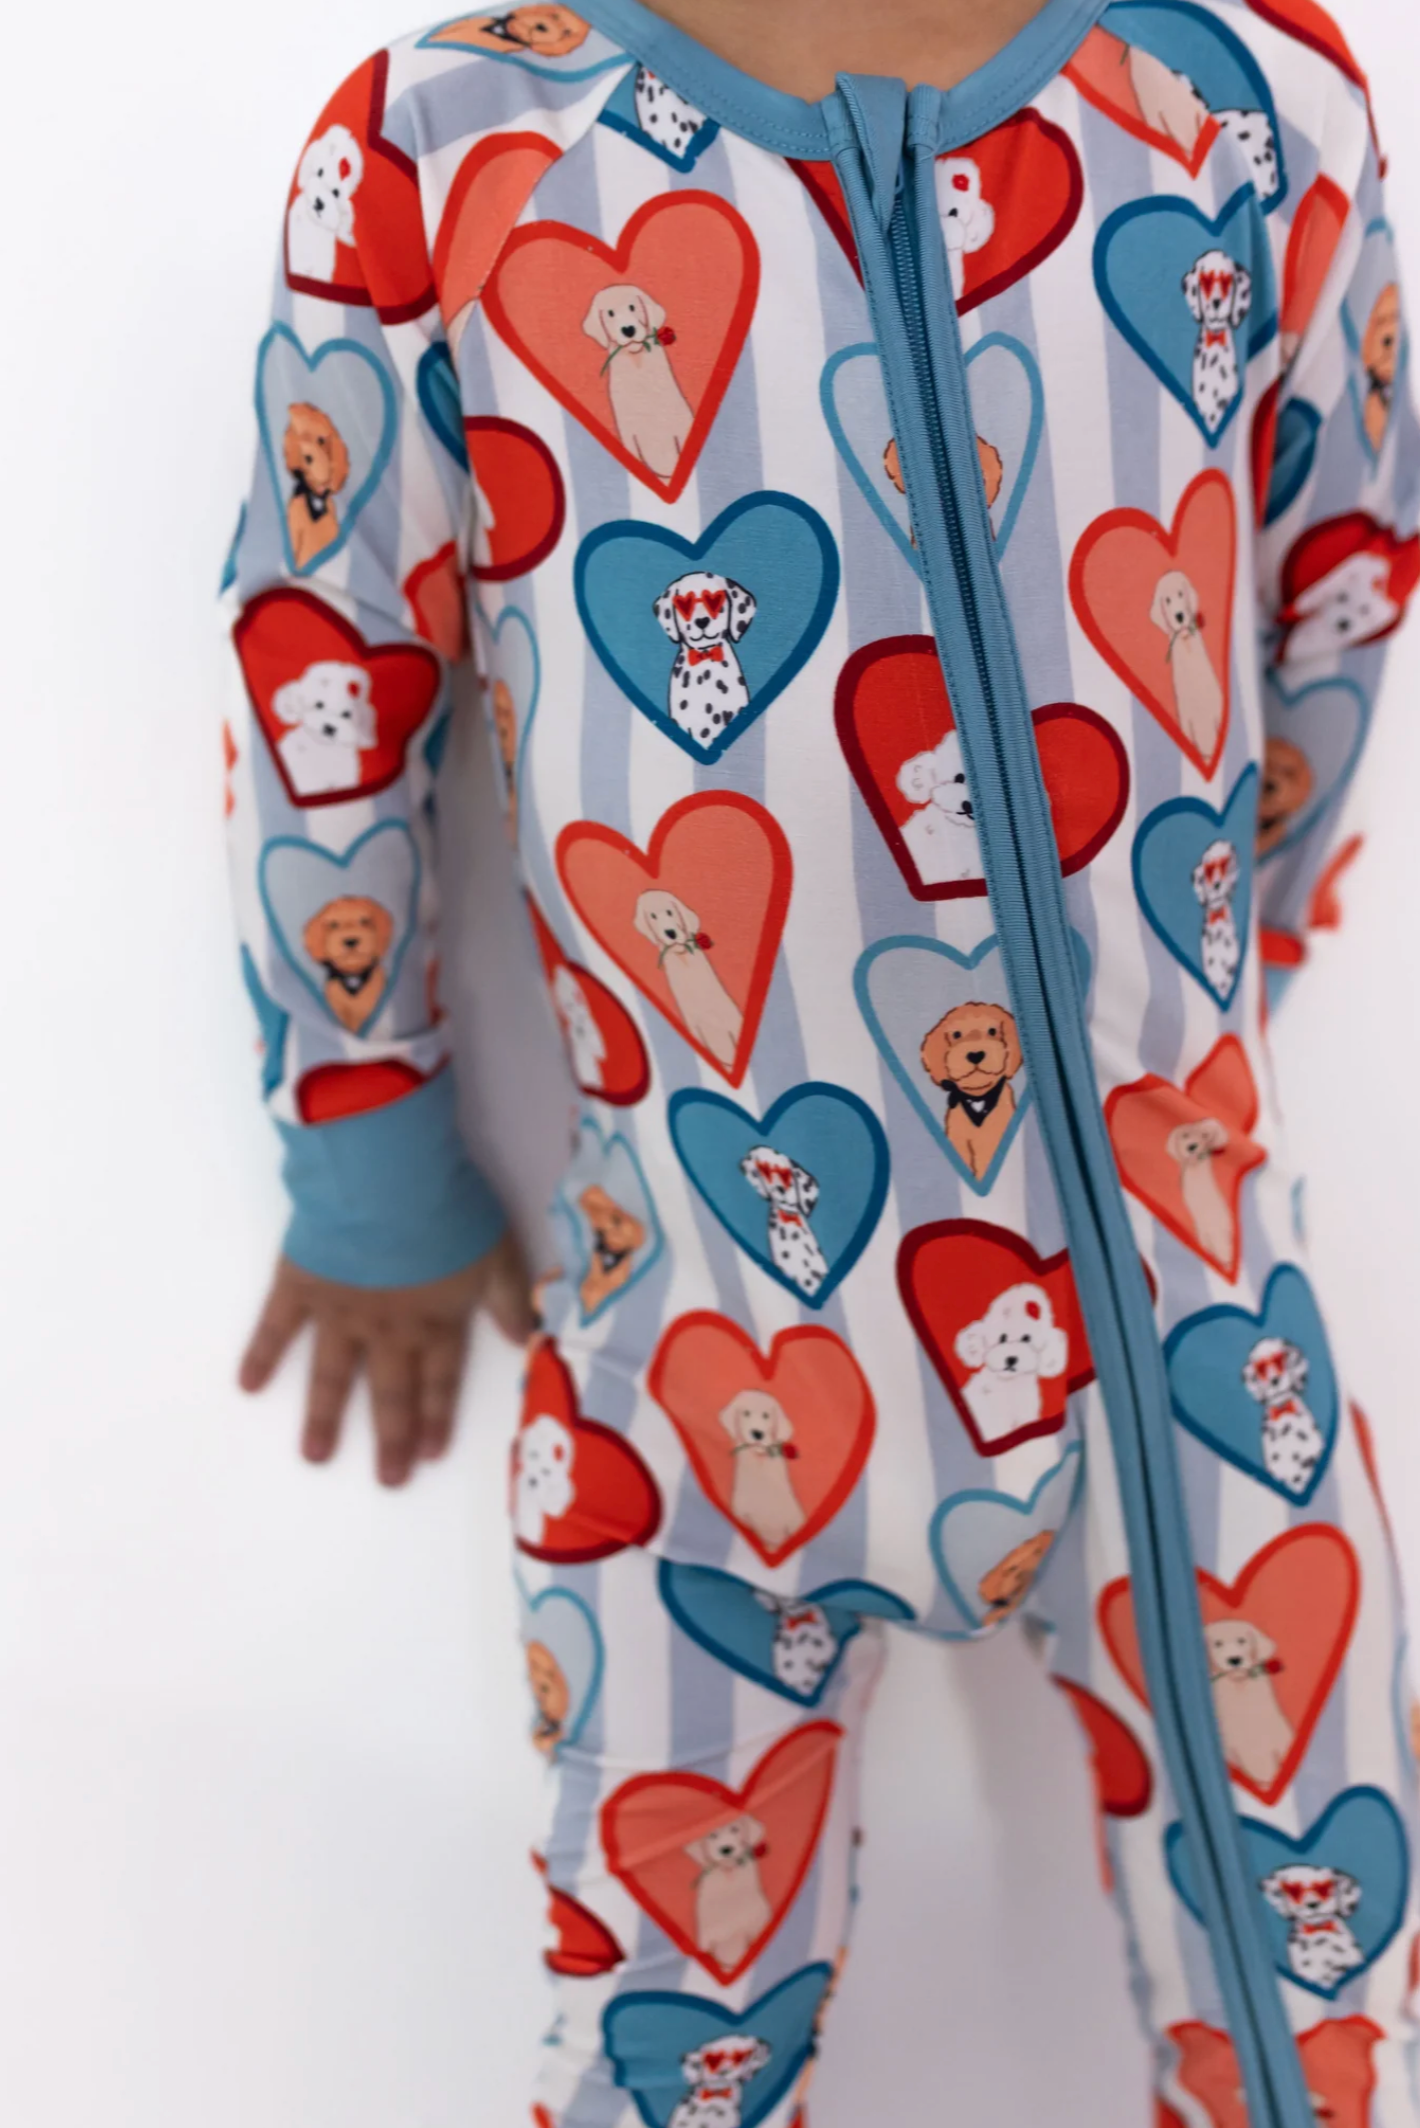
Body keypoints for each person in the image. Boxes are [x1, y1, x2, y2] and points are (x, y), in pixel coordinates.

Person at [225, 0, 1420, 2120]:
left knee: (1318, 2044)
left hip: (1188, 1320)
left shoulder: (1246, 101)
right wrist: (367, 1128)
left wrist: (1199, 977)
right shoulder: (443, 142)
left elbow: (1337, 583)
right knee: (661, 2061)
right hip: (693, 1345)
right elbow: (327, 646)